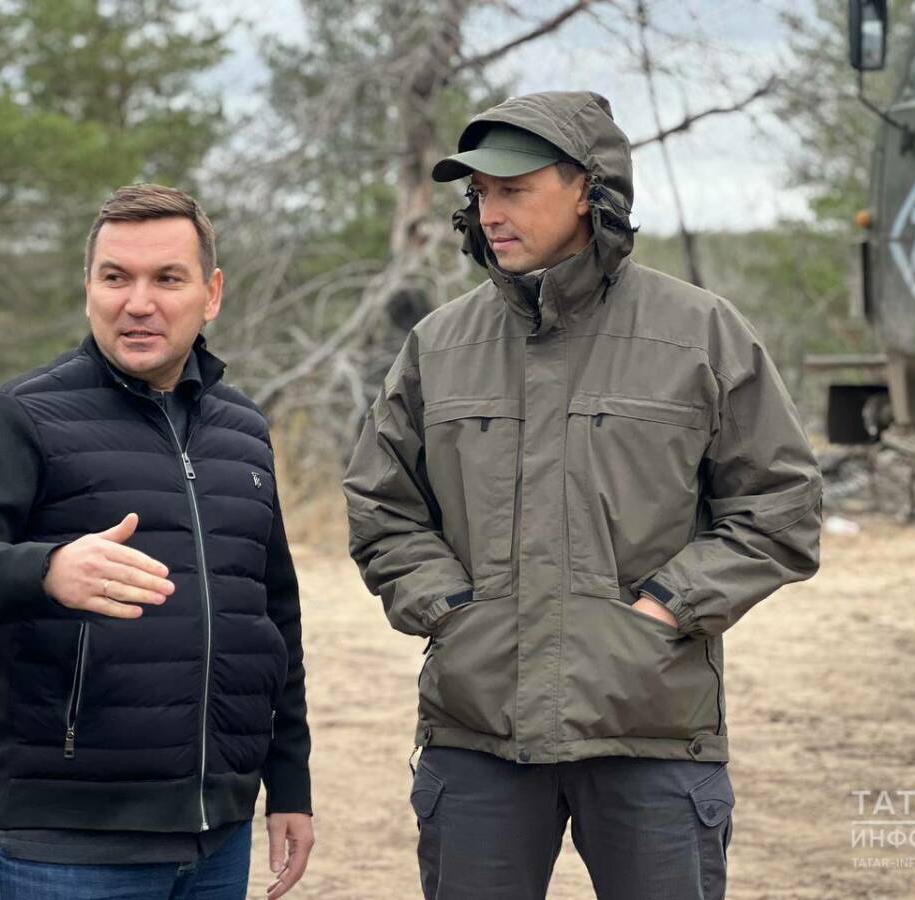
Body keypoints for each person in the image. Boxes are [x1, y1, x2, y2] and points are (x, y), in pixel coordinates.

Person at [342, 91, 822, 900]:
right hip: (477, 733)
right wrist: (453, 612)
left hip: (651, 730)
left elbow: (782, 505)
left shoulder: (698, 333)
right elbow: (382, 506)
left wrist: (668, 608)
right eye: (480, 193)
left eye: (514, 189)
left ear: (588, 191)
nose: (491, 212)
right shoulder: (440, 345)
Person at [0, 184, 313, 900]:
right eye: (116, 277)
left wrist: (290, 783)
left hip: (218, 841)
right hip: (64, 847)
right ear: (88, 287)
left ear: (211, 294)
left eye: (167, 279)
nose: (138, 303)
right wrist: (46, 570)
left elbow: (272, 617)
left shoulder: (243, 429)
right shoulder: (20, 416)